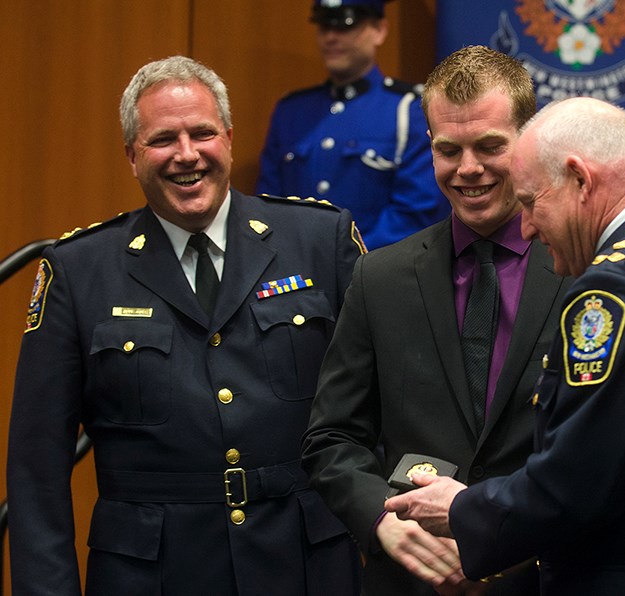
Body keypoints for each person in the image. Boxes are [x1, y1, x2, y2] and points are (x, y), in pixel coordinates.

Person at [7, 56, 364, 595]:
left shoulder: (319, 241)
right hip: (150, 577)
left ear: (229, 139)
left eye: (202, 133)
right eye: (162, 139)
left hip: (305, 566)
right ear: (131, 155)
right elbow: (37, 470)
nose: (187, 155)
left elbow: (383, 404)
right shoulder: (78, 272)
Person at [385, 97, 625, 594]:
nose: (525, 228)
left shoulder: (616, 291)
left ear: (580, 180)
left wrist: (459, 508)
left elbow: (577, 483)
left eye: (529, 202)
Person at [301, 46, 569, 595]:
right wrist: (381, 520)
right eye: (449, 150)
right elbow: (332, 437)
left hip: (546, 578)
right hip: (413, 575)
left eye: (490, 146)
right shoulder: (379, 278)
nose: (468, 168)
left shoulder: (583, 274)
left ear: (529, 140)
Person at [256, 0, 448, 249]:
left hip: (376, 273)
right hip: (296, 274)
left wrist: (348, 261)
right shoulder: (291, 111)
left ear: (379, 30)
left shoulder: (409, 110)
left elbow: (416, 213)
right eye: (324, 26)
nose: (331, 37)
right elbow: (267, 206)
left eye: (346, 26)